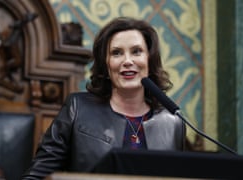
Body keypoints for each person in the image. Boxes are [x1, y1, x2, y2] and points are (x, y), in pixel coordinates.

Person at [22, 16, 186, 179]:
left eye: (136, 51)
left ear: (149, 60)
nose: (127, 61)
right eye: (116, 53)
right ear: (106, 65)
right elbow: (37, 176)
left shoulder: (173, 122)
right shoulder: (77, 108)